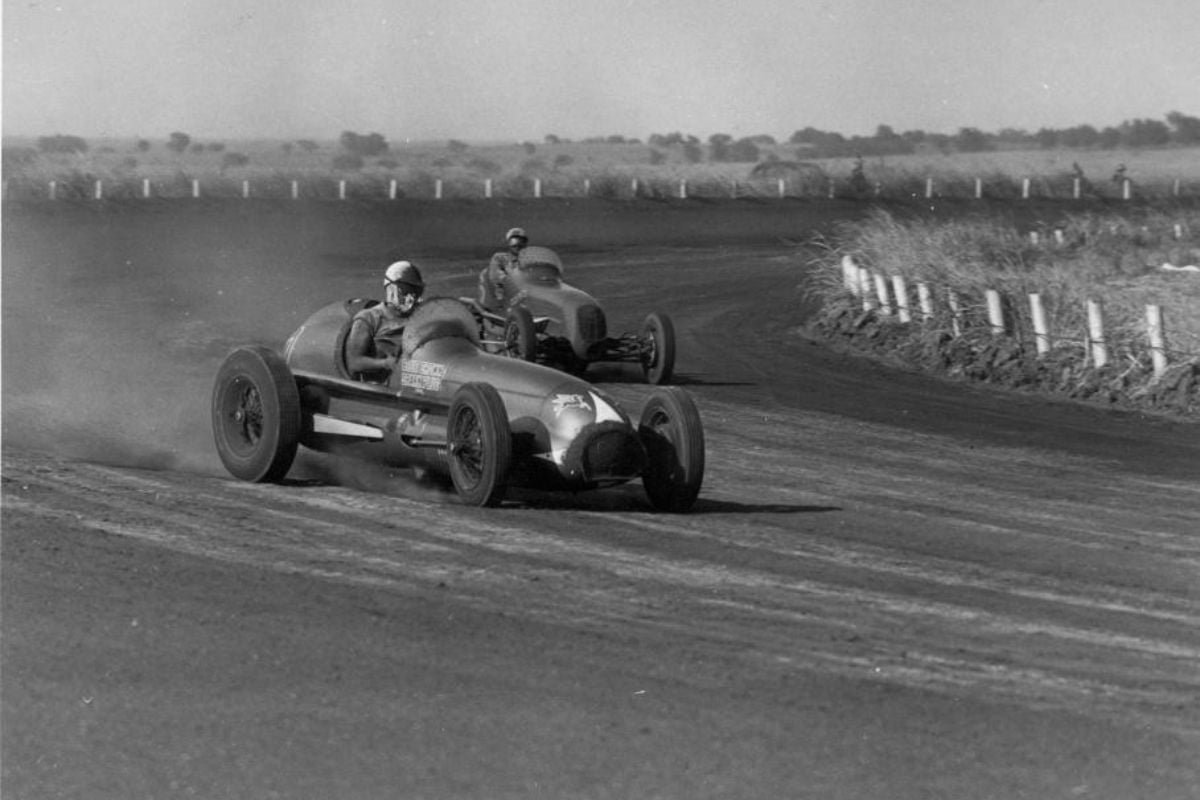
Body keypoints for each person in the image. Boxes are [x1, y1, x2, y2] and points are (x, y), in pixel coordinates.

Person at [345, 260, 424, 381]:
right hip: (380, 387)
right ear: (392, 289)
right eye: (408, 290)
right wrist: (384, 364)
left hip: (413, 380)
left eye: (417, 291)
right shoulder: (368, 318)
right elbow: (354, 362)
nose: (413, 297)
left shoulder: (422, 316)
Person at [479, 227, 528, 311]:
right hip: (500, 291)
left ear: (525, 244)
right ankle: (495, 307)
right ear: (509, 243)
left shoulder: (529, 260)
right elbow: (496, 275)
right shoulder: (500, 257)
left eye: (521, 242)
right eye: (514, 242)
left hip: (520, 293)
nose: (517, 245)